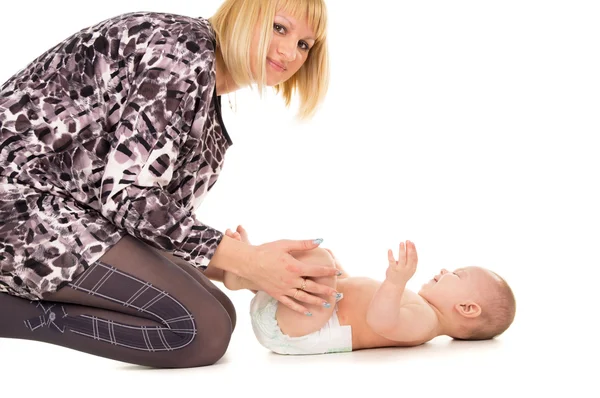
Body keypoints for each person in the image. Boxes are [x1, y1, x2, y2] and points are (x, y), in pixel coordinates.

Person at [0, 0, 340, 368]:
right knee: (199, 330)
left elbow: (145, 220)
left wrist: (233, 269)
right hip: (17, 204)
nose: (290, 52)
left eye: (305, 44)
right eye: (280, 28)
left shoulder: (207, 94)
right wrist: (246, 259)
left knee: (221, 311)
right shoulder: (181, 52)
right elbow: (126, 198)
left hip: (61, 213)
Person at [222, 225, 517, 355]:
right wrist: (341, 275)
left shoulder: (426, 322)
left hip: (302, 331)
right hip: (299, 318)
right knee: (325, 265)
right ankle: (253, 268)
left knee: (319, 261)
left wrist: (396, 280)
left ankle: (245, 277)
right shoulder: (420, 310)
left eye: (456, 274)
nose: (443, 271)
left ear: (467, 308)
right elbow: (354, 302)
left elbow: (380, 321)